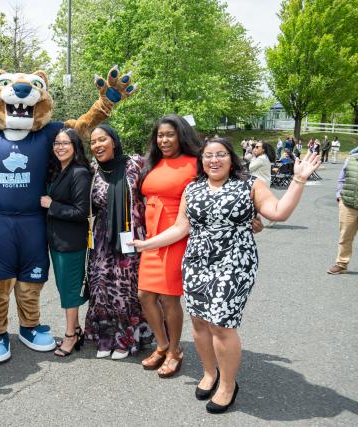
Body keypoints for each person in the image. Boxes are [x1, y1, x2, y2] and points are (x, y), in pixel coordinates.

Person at [130, 138, 320, 414]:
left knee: (220, 324)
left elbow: (278, 212)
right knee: (199, 323)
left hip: (234, 263)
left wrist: (299, 180)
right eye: (208, 156)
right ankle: (209, 373)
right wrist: (148, 244)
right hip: (196, 262)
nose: (214, 160)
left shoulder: (250, 185)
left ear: (232, 158)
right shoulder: (192, 189)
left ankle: (228, 385)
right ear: (202, 160)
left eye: (221, 154)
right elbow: (182, 227)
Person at [137, 114, 200, 377]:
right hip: (151, 238)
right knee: (144, 296)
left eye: (170, 134)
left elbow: (224, 184)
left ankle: (175, 350)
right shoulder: (153, 162)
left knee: (168, 298)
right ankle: (162, 345)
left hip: (176, 237)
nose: (164, 140)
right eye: (160, 135)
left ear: (181, 135)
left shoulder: (196, 163)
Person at [85, 124, 153, 360]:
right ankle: (106, 337)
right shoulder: (92, 170)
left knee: (126, 290)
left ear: (113, 141)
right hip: (102, 239)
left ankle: (125, 339)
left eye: (102, 139)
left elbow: (158, 189)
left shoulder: (135, 164)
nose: (97, 145)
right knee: (100, 288)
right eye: (93, 142)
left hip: (130, 236)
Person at [40, 128, 91, 357]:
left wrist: (52, 205)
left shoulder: (79, 172)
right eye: (57, 143)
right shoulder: (59, 170)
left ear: (75, 146)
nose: (60, 147)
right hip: (57, 241)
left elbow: (81, 211)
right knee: (63, 288)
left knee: (69, 290)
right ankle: (77, 329)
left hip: (72, 242)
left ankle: (70, 335)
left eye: (66, 143)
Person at [327, 152, 358, 274]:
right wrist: (339, 196)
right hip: (348, 204)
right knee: (345, 236)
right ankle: (341, 263)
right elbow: (342, 179)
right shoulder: (351, 159)